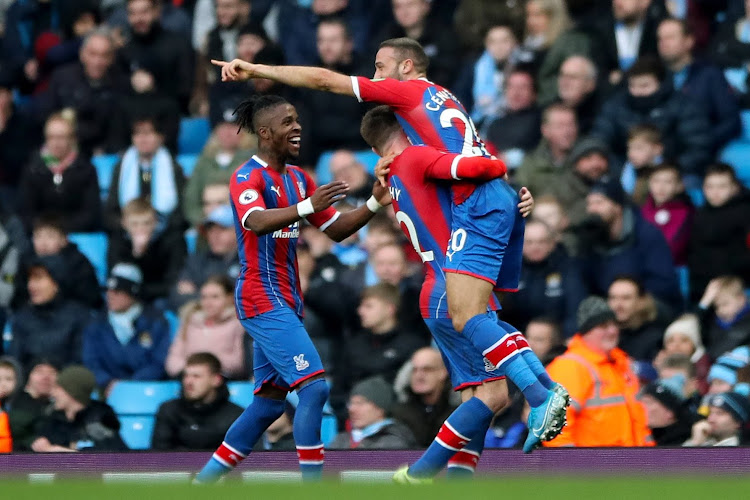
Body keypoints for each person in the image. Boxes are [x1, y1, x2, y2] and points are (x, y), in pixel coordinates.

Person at [216, 39, 567, 450]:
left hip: (446, 263)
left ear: (405, 66)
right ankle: (539, 396)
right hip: (469, 233)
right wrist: (503, 184)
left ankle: (534, 401)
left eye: (380, 68)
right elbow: (471, 158)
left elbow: (325, 80)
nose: (376, 77)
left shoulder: (406, 129)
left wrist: (259, 69)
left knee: (479, 361)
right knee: (486, 367)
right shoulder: (437, 122)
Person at [360, 106, 566, 481]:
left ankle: (457, 484)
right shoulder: (417, 157)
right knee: (494, 395)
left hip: (436, 286)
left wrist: (515, 206)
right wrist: (500, 175)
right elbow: (475, 166)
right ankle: (419, 475)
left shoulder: (396, 175)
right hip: (454, 282)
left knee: (476, 398)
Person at [194, 95, 391, 483]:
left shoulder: (300, 179)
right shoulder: (245, 177)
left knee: (268, 406)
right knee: (315, 389)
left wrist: (372, 202)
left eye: (298, 120)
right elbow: (254, 221)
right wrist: (305, 208)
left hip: (287, 298)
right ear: (265, 133)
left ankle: (203, 482)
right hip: (259, 295)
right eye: (288, 122)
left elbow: (335, 229)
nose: (297, 127)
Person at [544, 296, 653, 447]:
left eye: (614, 324)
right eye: (603, 326)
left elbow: (640, 423)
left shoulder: (621, 364)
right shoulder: (570, 367)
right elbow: (555, 431)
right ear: (586, 331)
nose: (613, 330)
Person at [591, 56, 712, 183]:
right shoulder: (616, 105)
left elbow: (698, 148)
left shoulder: (683, 106)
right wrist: (621, 169)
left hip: (675, 174)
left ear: (661, 84)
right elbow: (599, 141)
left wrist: (668, 169)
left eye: (644, 86)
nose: (637, 92)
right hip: (627, 173)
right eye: (633, 86)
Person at [577, 176, 681, 310]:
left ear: (617, 206)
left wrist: (626, 296)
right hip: (607, 309)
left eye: (599, 203)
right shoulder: (590, 237)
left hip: (646, 306)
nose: (592, 209)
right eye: (590, 204)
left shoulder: (646, 233)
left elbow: (664, 283)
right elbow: (583, 284)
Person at [37, 28, 127, 158]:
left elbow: (118, 131)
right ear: (82, 54)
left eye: (104, 55)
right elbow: (47, 115)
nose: (97, 62)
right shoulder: (62, 77)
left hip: (102, 155)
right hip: (65, 150)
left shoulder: (121, 84)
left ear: (112, 58)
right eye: (93, 54)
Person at [82, 263, 171, 394]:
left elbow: (159, 361)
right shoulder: (95, 324)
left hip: (145, 390)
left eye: (117, 291)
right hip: (106, 391)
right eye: (108, 290)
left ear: (133, 293)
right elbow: (91, 361)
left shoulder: (155, 322)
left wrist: (129, 385)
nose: (110, 295)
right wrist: (107, 382)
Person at [657, 18, 741, 151]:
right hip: (662, 154)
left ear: (689, 41)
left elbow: (730, 121)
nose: (663, 43)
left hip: (704, 154)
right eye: (660, 39)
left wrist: (703, 141)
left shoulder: (710, 75)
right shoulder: (655, 77)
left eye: (670, 38)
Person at [296, 18, 369, 166]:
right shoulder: (310, 78)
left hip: (364, 153)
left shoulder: (366, 76)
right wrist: (307, 165)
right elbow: (305, 128)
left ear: (349, 43)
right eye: (321, 40)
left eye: (333, 40)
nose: (326, 47)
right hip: (323, 159)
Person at [336, 283, 426, 398]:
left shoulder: (412, 345)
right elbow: (338, 390)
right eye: (361, 306)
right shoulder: (354, 344)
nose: (360, 311)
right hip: (353, 411)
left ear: (390, 309)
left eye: (368, 306)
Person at [500, 219, 587, 338]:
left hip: (558, 340)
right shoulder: (510, 269)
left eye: (541, 242)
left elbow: (575, 309)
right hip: (517, 339)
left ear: (552, 243)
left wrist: (569, 338)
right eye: (529, 242)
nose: (535, 247)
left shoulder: (568, 268)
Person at [19, 112, 102, 233]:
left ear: (72, 139)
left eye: (61, 137)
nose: (56, 143)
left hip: (75, 234)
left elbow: (91, 214)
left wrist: (60, 231)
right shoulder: (32, 170)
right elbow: (25, 212)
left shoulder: (86, 170)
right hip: (40, 236)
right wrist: (46, 232)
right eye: (51, 137)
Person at [8, 257, 89, 374]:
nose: (31, 285)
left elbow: (80, 362)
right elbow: (15, 362)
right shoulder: (21, 317)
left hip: (65, 386)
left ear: (57, 283)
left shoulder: (80, 317)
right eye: (30, 279)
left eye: (38, 278)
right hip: (29, 387)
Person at [105, 115, 186, 232]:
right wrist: (130, 226)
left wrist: (156, 227)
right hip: (129, 230)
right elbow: (111, 210)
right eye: (137, 134)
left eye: (148, 133)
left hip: (165, 229)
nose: (143, 139)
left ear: (160, 137)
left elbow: (181, 211)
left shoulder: (174, 167)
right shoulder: (121, 168)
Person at [153, 353, 243, 451]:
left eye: (196, 376)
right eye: (186, 376)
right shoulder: (169, 410)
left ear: (216, 380)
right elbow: (159, 455)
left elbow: (246, 458)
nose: (188, 382)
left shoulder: (236, 416)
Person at [687, 164, 750, 303]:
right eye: (710, 187)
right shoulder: (699, 214)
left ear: (735, 187)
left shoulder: (746, 213)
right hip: (702, 288)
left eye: (722, 186)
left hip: (736, 286)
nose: (715, 192)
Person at [117, 0, 193, 113]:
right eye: (133, 13)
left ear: (156, 12)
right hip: (132, 118)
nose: (139, 19)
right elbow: (115, 86)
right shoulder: (124, 50)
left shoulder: (178, 45)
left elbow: (185, 90)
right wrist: (130, 82)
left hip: (171, 116)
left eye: (144, 12)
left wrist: (153, 87)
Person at [166, 276, 248, 380]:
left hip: (222, 380)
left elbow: (239, 362)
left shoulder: (238, 324)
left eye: (215, 297)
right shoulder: (189, 321)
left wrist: (206, 364)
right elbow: (173, 359)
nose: (208, 303)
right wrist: (191, 371)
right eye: (204, 297)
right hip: (188, 378)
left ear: (229, 298)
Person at [107, 198, 187, 305]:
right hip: (129, 297)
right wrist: (136, 255)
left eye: (146, 223)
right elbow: (117, 279)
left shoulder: (173, 239)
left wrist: (145, 253)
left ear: (155, 222)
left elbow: (174, 282)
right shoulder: (117, 240)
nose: (141, 229)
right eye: (135, 224)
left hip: (161, 297)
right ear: (124, 224)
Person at [31, 365, 126, 452]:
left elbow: (110, 457)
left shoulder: (100, 418)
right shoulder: (54, 419)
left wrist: (56, 451)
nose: (53, 393)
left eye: (57, 388)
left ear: (72, 393)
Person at [183, 116, 255, 227]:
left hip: (242, 225)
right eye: (223, 127)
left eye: (233, 127)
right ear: (216, 130)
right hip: (207, 226)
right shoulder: (204, 161)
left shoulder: (254, 159)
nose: (228, 132)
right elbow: (191, 200)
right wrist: (202, 218)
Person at [518, 0, 592, 106]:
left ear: (554, 17)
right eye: (529, 15)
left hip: (556, 105)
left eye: (538, 15)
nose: (531, 21)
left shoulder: (571, 42)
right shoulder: (529, 45)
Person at [170, 205, 240, 310]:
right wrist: (221, 298)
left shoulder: (251, 261)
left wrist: (197, 294)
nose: (214, 235)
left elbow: (247, 299)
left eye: (222, 229)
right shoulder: (196, 261)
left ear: (238, 231)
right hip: (200, 321)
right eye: (210, 230)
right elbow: (176, 298)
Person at [26, 216, 103, 310]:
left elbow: (90, 298)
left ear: (64, 240)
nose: (43, 243)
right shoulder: (26, 261)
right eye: (38, 236)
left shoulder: (79, 263)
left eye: (50, 236)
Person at [391, 347, 458, 447]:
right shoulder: (398, 413)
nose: (419, 376)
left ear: (443, 372)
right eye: (414, 370)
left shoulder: (458, 413)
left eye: (427, 369)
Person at [587, 0, 663, 87]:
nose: (617, 2)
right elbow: (599, 71)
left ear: (644, 2)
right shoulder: (601, 31)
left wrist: (622, 76)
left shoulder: (658, 29)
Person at [329, 376, 417, 450]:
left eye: (360, 403)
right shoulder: (341, 440)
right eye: (351, 403)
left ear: (380, 408)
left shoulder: (393, 443)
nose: (351, 409)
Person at [514, 103, 578, 196]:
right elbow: (520, 197)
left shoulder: (586, 159)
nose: (567, 131)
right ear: (545, 130)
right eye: (560, 126)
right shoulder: (531, 164)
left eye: (570, 125)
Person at [483, 68, 543, 165]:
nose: (516, 93)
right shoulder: (495, 125)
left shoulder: (541, 121)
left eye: (523, 87)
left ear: (534, 93)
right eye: (511, 87)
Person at [640, 163, 693, 266]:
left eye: (668, 182)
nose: (661, 187)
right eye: (656, 181)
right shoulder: (643, 210)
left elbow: (673, 249)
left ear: (679, 186)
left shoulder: (684, 213)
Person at [550, 137, 611, 226]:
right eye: (588, 158)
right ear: (575, 163)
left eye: (601, 158)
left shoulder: (612, 186)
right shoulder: (560, 187)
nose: (596, 164)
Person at [607, 275, 669, 363]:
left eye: (626, 298)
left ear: (642, 301)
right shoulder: (602, 336)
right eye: (613, 298)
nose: (618, 305)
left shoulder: (657, 339)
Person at [3, 359, 56, 451]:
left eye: (52, 373)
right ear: (28, 376)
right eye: (40, 372)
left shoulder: (58, 407)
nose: (46, 377)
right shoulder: (15, 402)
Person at [698, 276, 750, 360]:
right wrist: (704, 304)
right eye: (717, 306)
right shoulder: (713, 323)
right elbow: (699, 333)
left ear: (741, 299)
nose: (720, 310)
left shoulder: (746, 323)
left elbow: (717, 353)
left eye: (725, 304)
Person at [657, 314, 711, 394]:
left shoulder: (703, 369)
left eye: (684, 340)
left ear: (694, 344)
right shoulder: (659, 364)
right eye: (671, 341)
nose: (676, 345)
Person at [641, 376, 698, 446]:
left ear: (670, 412)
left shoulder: (687, 442)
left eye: (648, 403)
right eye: (641, 402)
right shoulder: (644, 437)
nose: (641, 407)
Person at [619, 124, 664, 204]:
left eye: (639, 148)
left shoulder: (666, 174)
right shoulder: (627, 172)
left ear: (657, 149)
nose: (631, 154)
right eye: (629, 148)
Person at [684, 392, 749, 446]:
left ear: (737, 423)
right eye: (710, 413)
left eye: (720, 413)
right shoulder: (703, 441)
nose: (710, 419)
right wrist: (695, 442)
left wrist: (694, 446)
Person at [556, 55, 600, 135]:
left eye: (573, 77)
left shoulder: (599, 115)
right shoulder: (550, 109)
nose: (565, 82)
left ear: (590, 84)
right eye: (562, 75)